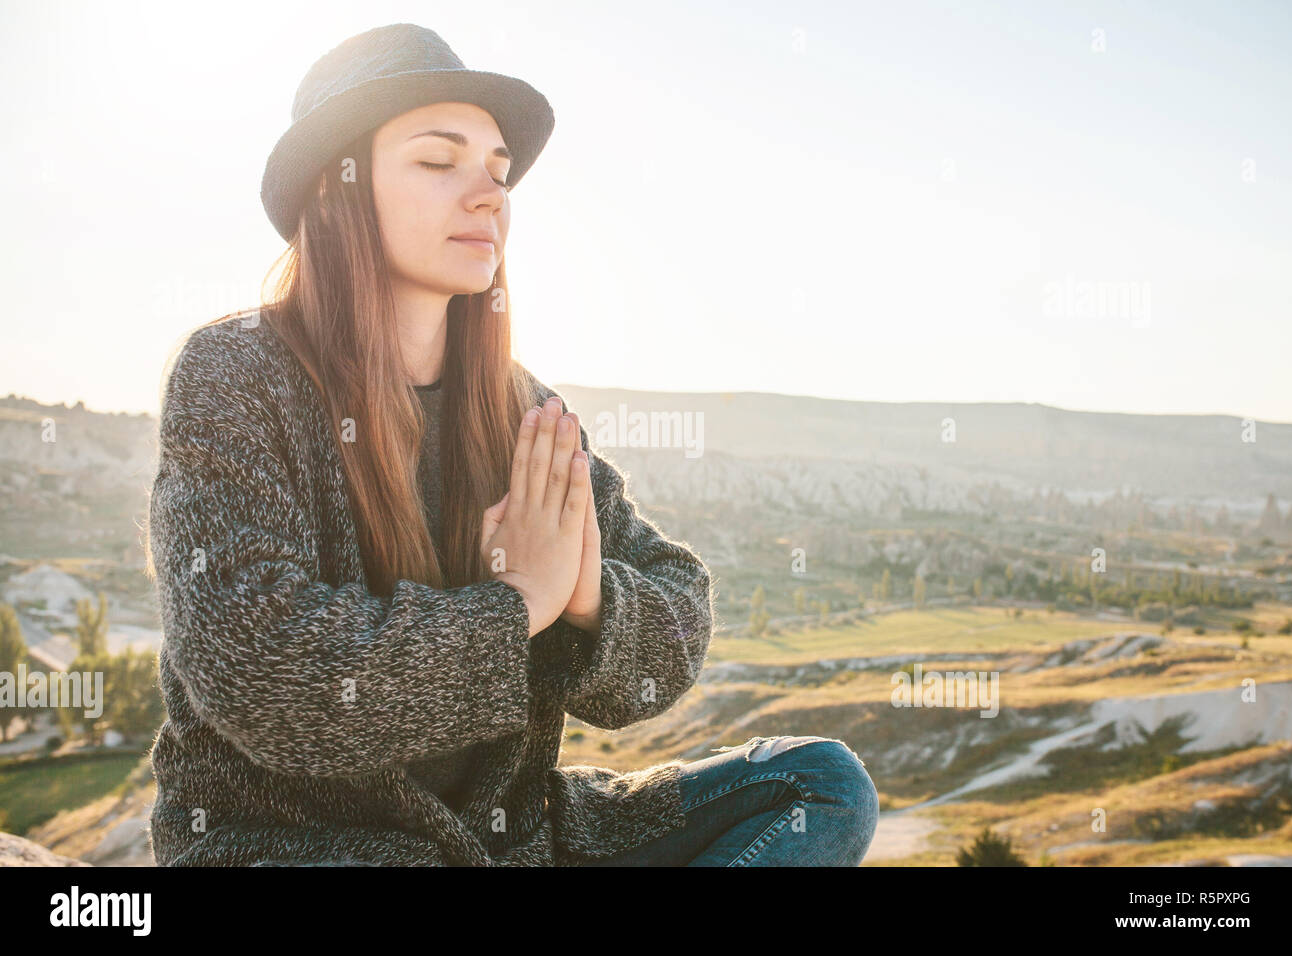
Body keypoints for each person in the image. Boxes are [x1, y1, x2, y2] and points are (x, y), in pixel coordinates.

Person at [144, 22, 877, 867]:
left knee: (819, 786)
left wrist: (585, 595)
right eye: (437, 161)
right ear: (337, 186)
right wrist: (518, 604)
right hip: (301, 848)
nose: (490, 194)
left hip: (512, 842)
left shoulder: (522, 407)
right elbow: (263, 671)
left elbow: (677, 610)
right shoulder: (236, 375)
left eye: (498, 171)